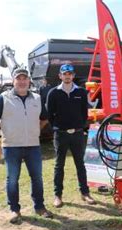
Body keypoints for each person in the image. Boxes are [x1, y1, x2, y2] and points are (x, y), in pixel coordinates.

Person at [0, 68, 52, 224]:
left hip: (33, 146)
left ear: (29, 81)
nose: (22, 81)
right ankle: (14, 210)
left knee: (37, 178)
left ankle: (40, 207)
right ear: (14, 80)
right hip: (11, 146)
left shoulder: (37, 98)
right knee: (12, 179)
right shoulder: (3, 98)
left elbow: (44, 118)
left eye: (25, 78)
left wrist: (35, 129)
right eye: (19, 78)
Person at [46, 64, 96, 208]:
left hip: (77, 134)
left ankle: (85, 193)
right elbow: (49, 115)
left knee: (80, 164)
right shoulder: (53, 93)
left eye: (70, 74)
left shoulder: (80, 91)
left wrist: (79, 126)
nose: (67, 76)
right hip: (60, 134)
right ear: (60, 76)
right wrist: (58, 127)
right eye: (64, 74)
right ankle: (58, 195)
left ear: (73, 76)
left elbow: (84, 113)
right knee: (59, 165)